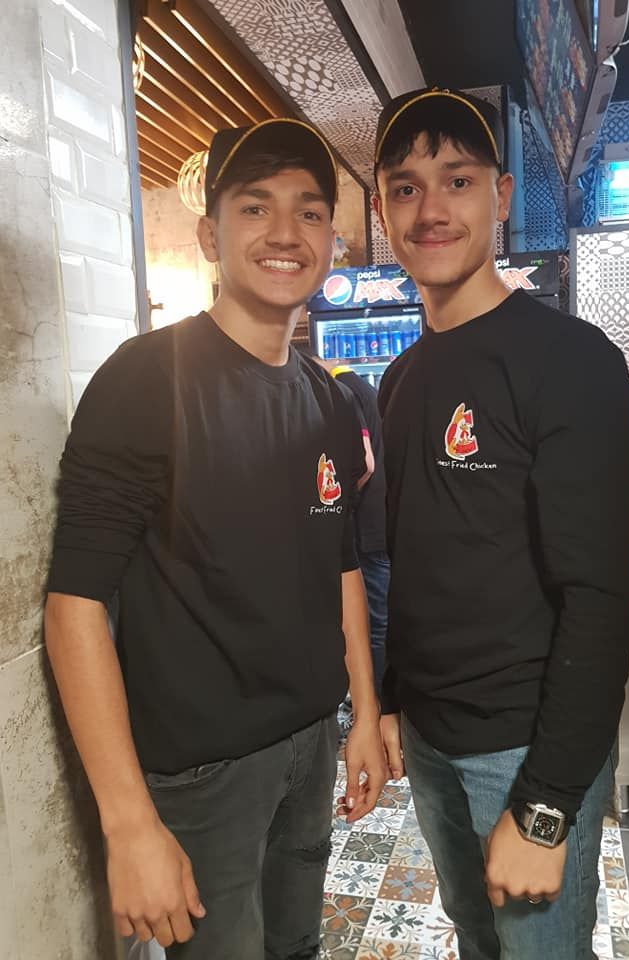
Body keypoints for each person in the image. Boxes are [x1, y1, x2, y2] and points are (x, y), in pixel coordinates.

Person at [44, 118, 387, 960]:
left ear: (332, 243)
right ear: (209, 235)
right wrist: (129, 824)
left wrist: (364, 711)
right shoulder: (145, 380)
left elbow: (341, 562)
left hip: (310, 742)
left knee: (296, 947)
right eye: (255, 207)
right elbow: (73, 606)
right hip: (203, 775)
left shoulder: (328, 398)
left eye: (309, 212)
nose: (285, 233)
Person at [373, 87, 629, 959]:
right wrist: (390, 702)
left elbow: (600, 599)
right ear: (380, 209)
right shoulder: (400, 379)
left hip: (525, 747)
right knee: (477, 941)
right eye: (406, 187)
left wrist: (547, 803)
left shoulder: (571, 361)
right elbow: (412, 561)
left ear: (502, 193)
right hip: (431, 740)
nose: (432, 208)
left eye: (458, 179)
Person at [303, 351, 390, 697]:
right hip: (382, 518)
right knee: (380, 618)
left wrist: (341, 503)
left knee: (373, 623)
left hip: (367, 525)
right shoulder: (365, 388)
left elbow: (365, 463)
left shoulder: (343, 392)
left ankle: (377, 699)